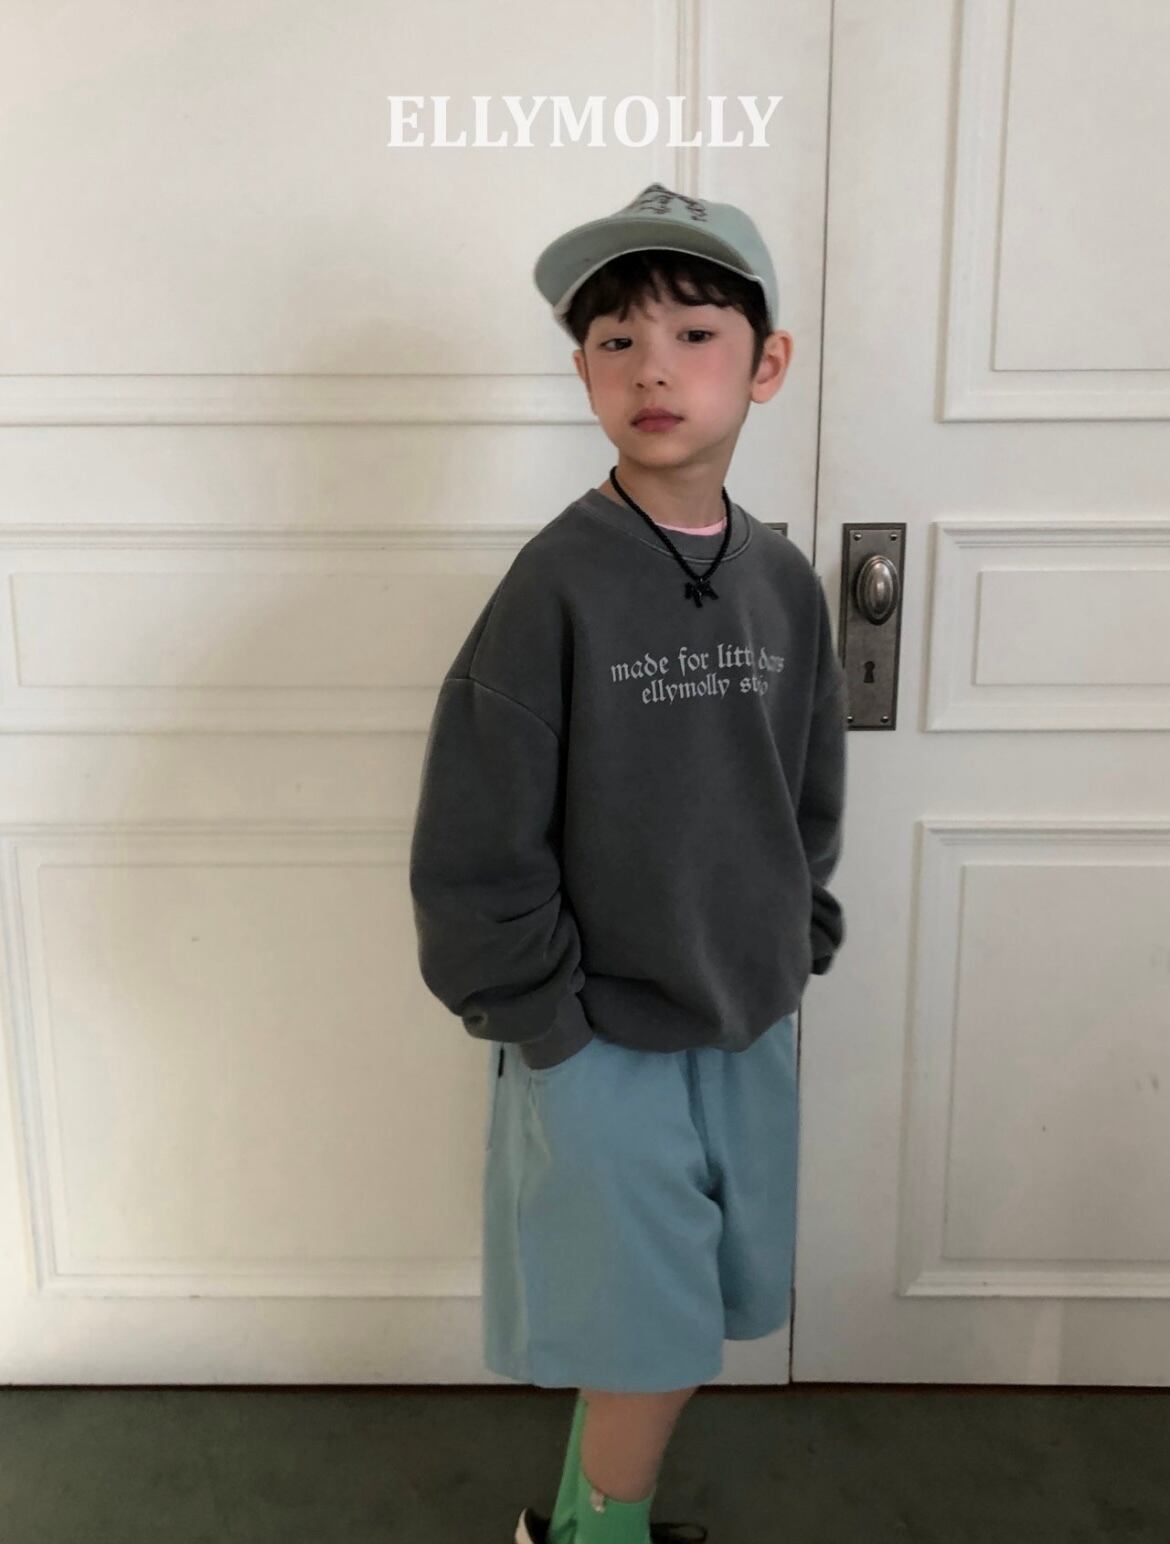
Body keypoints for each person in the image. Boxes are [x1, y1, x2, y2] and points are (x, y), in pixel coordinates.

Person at [409, 181, 849, 1544]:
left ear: (766, 364)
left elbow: (806, 790)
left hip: (742, 1015)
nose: (654, 367)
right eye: (616, 341)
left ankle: (568, 1520)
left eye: (695, 333)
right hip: (596, 1032)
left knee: (667, 1303)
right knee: (646, 1327)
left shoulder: (782, 583)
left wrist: (792, 943)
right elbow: (477, 834)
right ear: (585, 373)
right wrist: (543, 1022)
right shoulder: (556, 583)